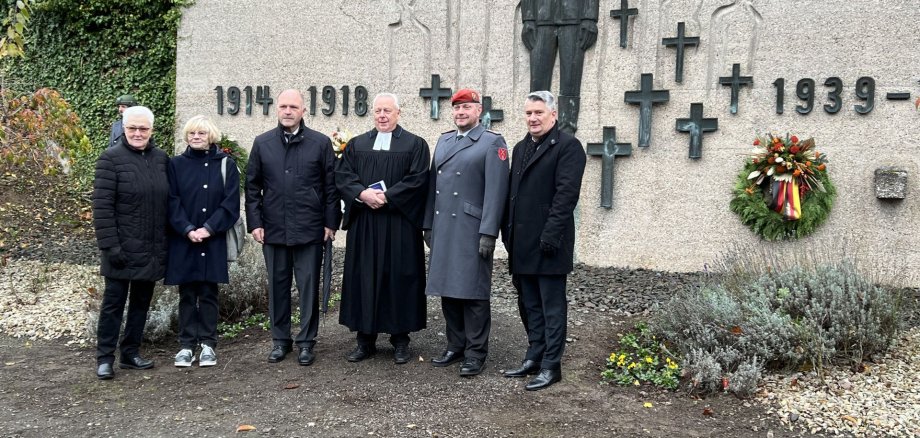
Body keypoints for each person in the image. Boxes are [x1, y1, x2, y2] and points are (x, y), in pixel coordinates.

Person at [245, 89, 340, 366]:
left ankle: (307, 342)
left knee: (308, 287)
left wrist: (330, 223)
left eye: (293, 107)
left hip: (310, 229)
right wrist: (255, 223)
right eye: (283, 106)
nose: (288, 111)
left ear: (303, 111)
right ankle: (280, 340)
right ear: (277, 109)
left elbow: (330, 187)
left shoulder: (320, 143)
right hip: (273, 228)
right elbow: (252, 187)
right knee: (277, 286)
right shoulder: (262, 143)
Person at [335, 93, 430, 364]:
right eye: (378, 111)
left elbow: (418, 180)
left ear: (399, 112)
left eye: (387, 110)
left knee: (399, 278)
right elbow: (343, 176)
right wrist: (362, 194)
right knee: (363, 277)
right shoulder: (357, 145)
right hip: (365, 224)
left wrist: (387, 197)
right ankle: (365, 340)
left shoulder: (415, 144)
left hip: (399, 224)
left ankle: (400, 340)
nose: (382, 116)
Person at [502, 91, 586, 391]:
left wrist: (550, 235)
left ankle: (552, 365)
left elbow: (566, 196)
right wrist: (506, 231)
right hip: (521, 241)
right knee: (529, 305)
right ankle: (534, 355)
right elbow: (513, 194)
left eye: (538, 113)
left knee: (551, 307)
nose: (533, 118)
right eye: (528, 113)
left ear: (553, 114)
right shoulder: (521, 147)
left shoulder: (568, 147)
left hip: (549, 242)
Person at [423, 88, 509, 376]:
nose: (461, 113)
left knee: (473, 293)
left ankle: (475, 352)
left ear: (479, 110)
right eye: (457, 108)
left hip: (471, 228)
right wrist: (428, 224)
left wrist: (489, 232)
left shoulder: (491, 142)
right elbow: (432, 186)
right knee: (449, 290)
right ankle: (455, 345)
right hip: (444, 226)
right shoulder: (444, 139)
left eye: (467, 108)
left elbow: (497, 193)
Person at [92, 105, 169, 380]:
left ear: (151, 130)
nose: (138, 133)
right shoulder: (110, 159)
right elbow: (102, 207)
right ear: (124, 129)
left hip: (150, 248)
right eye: (132, 128)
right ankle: (105, 358)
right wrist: (110, 246)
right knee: (113, 304)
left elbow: (167, 203)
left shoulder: (161, 159)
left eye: (143, 128)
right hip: (121, 248)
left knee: (141, 303)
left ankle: (130, 353)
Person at [165, 115, 241, 368]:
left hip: (212, 239)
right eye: (191, 133)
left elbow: (230, 204)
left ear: (211, 136)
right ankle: (186, 345)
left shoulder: (226, 164)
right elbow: (171, 201)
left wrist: (208, 229)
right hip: (184, 240)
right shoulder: (175, 165)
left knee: (209, 293)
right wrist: (187, 229)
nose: (196, 137)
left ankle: (208, 344)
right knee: (186, 293)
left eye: (201, 133)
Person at [521, 0, 599, 134]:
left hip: (574, 16)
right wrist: (528, 18)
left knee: (570, 80)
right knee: (538, 82)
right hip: (541, 18)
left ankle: (567, 130)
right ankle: (537, 130)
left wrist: (589, 17)